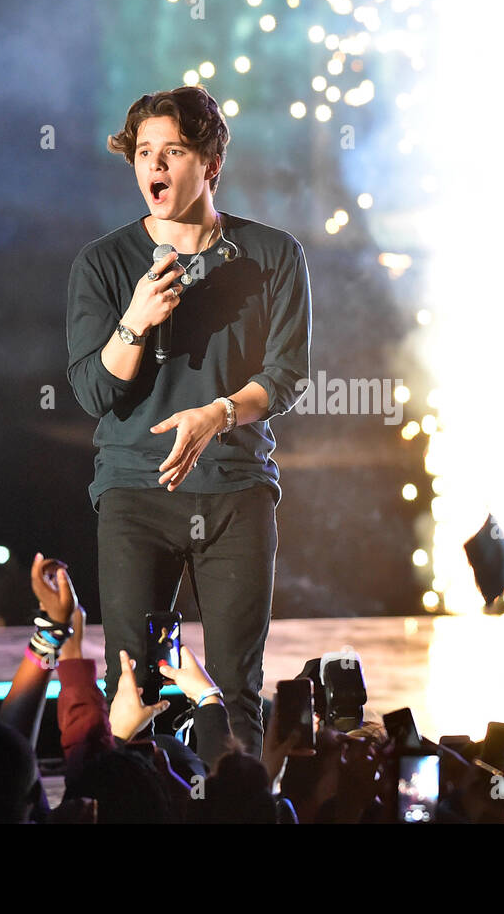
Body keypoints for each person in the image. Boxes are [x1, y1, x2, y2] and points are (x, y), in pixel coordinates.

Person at [65, 85, 311, 755]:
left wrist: (219, 413)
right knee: (135, 686)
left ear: (210, 162)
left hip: (234, 487)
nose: (156, 166)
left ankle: (236, 808)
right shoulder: (103, 263)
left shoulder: (274, 255)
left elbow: (285, 377)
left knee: (233, 685)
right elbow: (92, 389)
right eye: (144, 152)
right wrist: (135, 322)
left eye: (173, 150)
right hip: (135, 492)